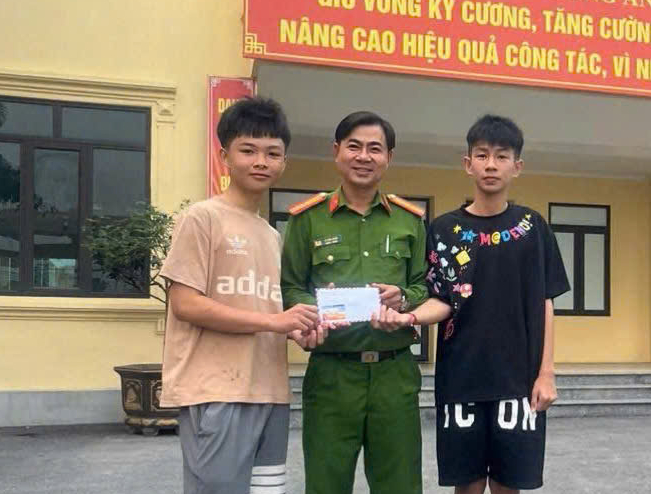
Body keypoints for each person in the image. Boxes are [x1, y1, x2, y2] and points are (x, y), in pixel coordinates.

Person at [373, 115, 570, 494]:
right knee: (467, 486)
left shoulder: (533, 228)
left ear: (517, 166)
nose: (491, 165)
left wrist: (546, 373)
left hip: (518, 381)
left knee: (508, 485)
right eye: (482, 155)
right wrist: (408, 318)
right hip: (460, 379)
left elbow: (545, 302)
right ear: (468, 164)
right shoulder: (443, 230)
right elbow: (442, 299)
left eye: (501, 156)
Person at [159, 97, 328, 494]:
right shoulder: (202, 218)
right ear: (225, 156)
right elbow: (185, 304)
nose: (261, 162)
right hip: (217, 392)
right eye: (248, 150)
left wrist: (297, 329)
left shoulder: (270, 234)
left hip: (270, 392)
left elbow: (266, 309)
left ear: (284, 162)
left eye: (272, 153)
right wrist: (275, 321)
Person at [281, 111, 429, 494]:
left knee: (400, 485)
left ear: (388, 157)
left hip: (394, 374)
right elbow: (291, 286)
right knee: (326, 484)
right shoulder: (307, 220)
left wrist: (403, 299)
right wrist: (311, 316)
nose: (364, 156)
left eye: (375, 149)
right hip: (332, 373)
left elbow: (423, 286)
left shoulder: (409, 221)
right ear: (337, 151)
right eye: (354, 146)